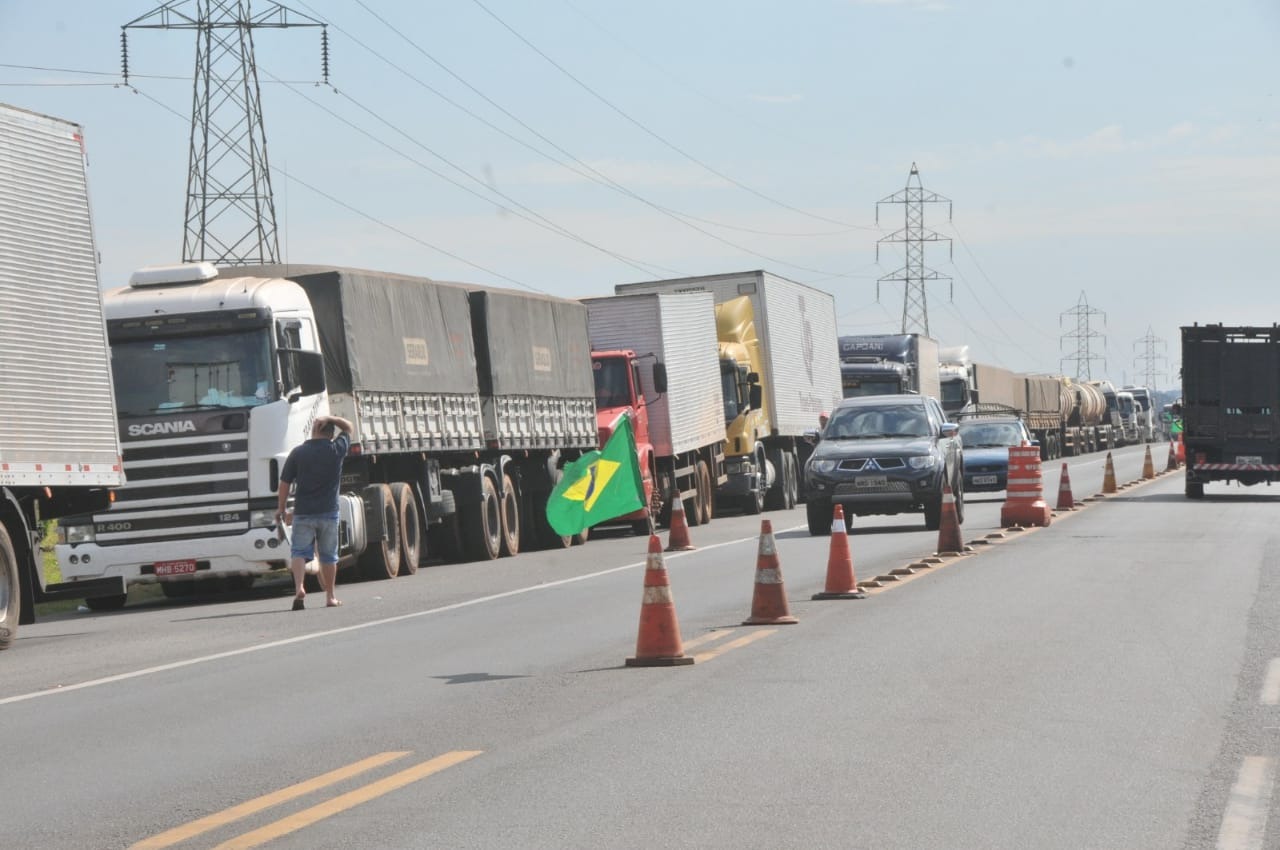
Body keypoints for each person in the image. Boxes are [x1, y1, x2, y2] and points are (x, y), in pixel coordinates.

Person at [276, 414, 355, 610]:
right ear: (330, 434)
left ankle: (299, 588)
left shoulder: (298, 452)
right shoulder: (336, 449)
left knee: (299, 552)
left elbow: (284, 483)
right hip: (328, 512)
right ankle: (330, 596)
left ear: (313, 430)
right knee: (328, 556)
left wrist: (281, 508)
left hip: (303, 513)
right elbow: (349, 428)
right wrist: (331, 417)